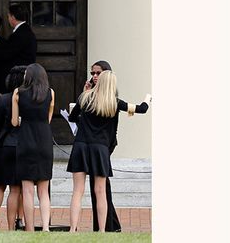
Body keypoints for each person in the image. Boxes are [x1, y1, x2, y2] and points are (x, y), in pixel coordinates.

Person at [68, 66, 150, 232]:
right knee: (100, 192)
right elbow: (142, 109)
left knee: (77, 191)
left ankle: (72, 229)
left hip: (81, 146)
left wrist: (84, 96)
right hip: (100, 150)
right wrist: (148, 98)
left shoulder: (85, 97)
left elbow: (72, 117)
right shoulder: (114, 102)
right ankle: (103, 231)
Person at [11, 63, 54, 232]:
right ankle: (45, 228)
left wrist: (23, 120)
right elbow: (48, 119)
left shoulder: (18, 93)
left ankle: (29, 228)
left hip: (25, 140)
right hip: (44, 140)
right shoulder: (50, 93)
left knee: (27, 190)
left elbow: (14, 122)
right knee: (43, 190)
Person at [0, 65, 27, 231]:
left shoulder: (4, 99)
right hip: (23, 145)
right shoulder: (30, 99)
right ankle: (20, 219)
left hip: (5, 145)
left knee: (0, 186)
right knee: (20, 187)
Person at [83, 60, 120, 231]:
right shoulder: (89, 96)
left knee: (101, 189)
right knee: (99, 188)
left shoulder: (112, 98)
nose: (95, 76)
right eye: (92, 73)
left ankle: (108, 226)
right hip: (95, 146)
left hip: (105, 146)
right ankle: (108, 226)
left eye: (98, 73)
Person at [0, 3, 37, 69]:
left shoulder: (18, 35)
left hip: (19, 74)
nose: (8, 19)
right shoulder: (26, 30)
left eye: (8, 16)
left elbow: (6, 55)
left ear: (13, 17)